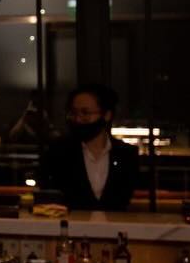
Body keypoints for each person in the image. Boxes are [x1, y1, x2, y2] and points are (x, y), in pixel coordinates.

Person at [39, 83, 139, 211]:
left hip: (114, 223)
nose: (78, 119)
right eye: (74, 113)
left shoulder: (126, 154)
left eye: (85, 113)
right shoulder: (58, 152)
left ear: (106, 115)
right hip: (70, 223)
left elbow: (123, 199)